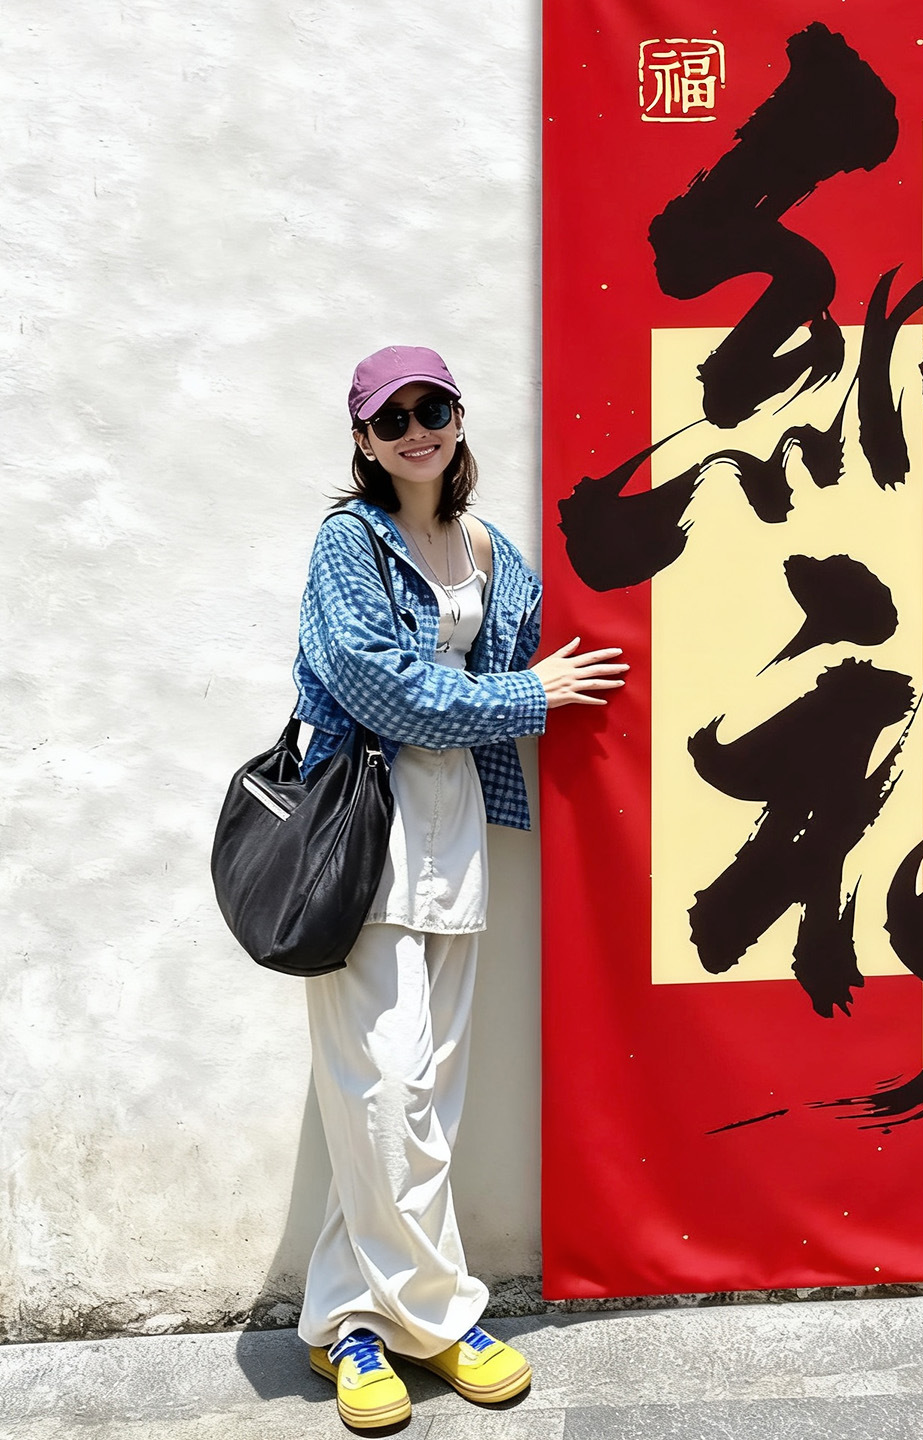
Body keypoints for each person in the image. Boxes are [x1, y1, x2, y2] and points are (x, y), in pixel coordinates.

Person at [290, 345, 625, 1430]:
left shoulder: (488, 550)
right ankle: (443, 1319)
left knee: (418, 1096)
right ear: (364, 438)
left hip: (457, 828)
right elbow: (380, 687)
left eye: (431, 408)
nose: (416, 431)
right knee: (384, 1090)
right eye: (392, 419)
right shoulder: (349, 543)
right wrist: (528, 694)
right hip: (363, 832)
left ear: (458, 417)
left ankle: (346, 1328)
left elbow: (561, 643)